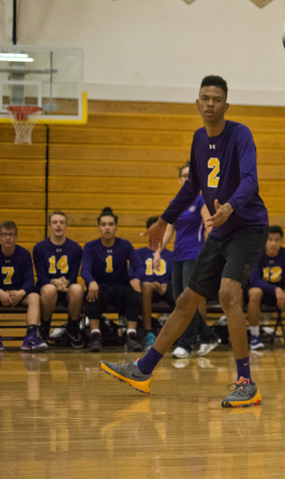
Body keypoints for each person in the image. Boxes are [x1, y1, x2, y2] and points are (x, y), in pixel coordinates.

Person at [100, 75, 269, 408]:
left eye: (216, 99)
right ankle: (143, 369)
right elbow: (192, 186)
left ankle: (246, 382)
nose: (210, 104)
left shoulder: (240, 134)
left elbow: (251, 179)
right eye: (204, 98)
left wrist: (231, 207)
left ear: (226, 105)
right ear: (197, 103)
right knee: (185, 300)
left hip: (249, 227)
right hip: (219, 231)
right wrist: (164, 220)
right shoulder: (197, 139)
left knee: (227, 293)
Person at [154, 162, 220, 359]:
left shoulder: (200, 200)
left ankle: (186, 343)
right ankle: (208, 336)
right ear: (179, 180)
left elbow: (209, 226)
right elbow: (168, 229)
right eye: (183, 176)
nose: (186, 179)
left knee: (187, 300)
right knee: (178, 300)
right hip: (178, 255)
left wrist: (213, 253)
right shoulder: (176, 202)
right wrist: (158, 252)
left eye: (190, 176)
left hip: (195, 255)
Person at [82, 207, 143, 353]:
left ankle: (131, 336)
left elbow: (139, 265)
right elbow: (84, 269)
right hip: (100, 288)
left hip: (120, 288)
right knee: (91, 295)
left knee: (134, 294)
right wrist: (91, 281)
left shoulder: (125, 245)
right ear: (98, 227)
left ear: (116, 227)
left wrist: (136, 279)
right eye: (103, 224)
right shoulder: (90, 247)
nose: (107, 228)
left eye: (110, 224)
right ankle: (95, 336)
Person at [246, 225, 285, 350]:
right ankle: (254, 336)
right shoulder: (257, 253)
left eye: (276, 240)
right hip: (264, 293)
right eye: (270, 239)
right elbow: (254, 280)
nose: (273, 243)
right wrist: (275, 289)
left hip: (281, 295)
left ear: (281, 241)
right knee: (255, 292)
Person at [32, 211, 84, 348]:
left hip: (66, 287)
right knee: (49, 290)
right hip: (47, 287)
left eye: (62, 222)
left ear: (66, 226)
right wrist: (54, 282)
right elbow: (41, 276)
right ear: (49, 226)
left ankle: (72, 327)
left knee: (78, 289)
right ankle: (44, 327)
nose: (58, 225)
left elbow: (73, 276)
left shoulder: (75, 248)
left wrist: (66, 282)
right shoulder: (39, 248)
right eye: (55, 222)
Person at [0, 221, 47, 351]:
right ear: (0, 237)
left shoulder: (24, 254)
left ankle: (31, 337)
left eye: (11, 234)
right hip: (0, 294)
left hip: (19, 294)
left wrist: (21, 293)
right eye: (4, 234)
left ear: (16, 237)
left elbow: (30, 281)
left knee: (34, 297)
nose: (8, 238)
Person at [132, 216, 175, 351]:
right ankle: (148, 333)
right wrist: (150, 282)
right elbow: (134, 276)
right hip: (146, 290)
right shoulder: (138, 253)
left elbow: (176, 276)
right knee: (145, 286)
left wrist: (166, 283)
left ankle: (183, 334)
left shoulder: (172, 255)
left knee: (181, 291)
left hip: (166, 289)